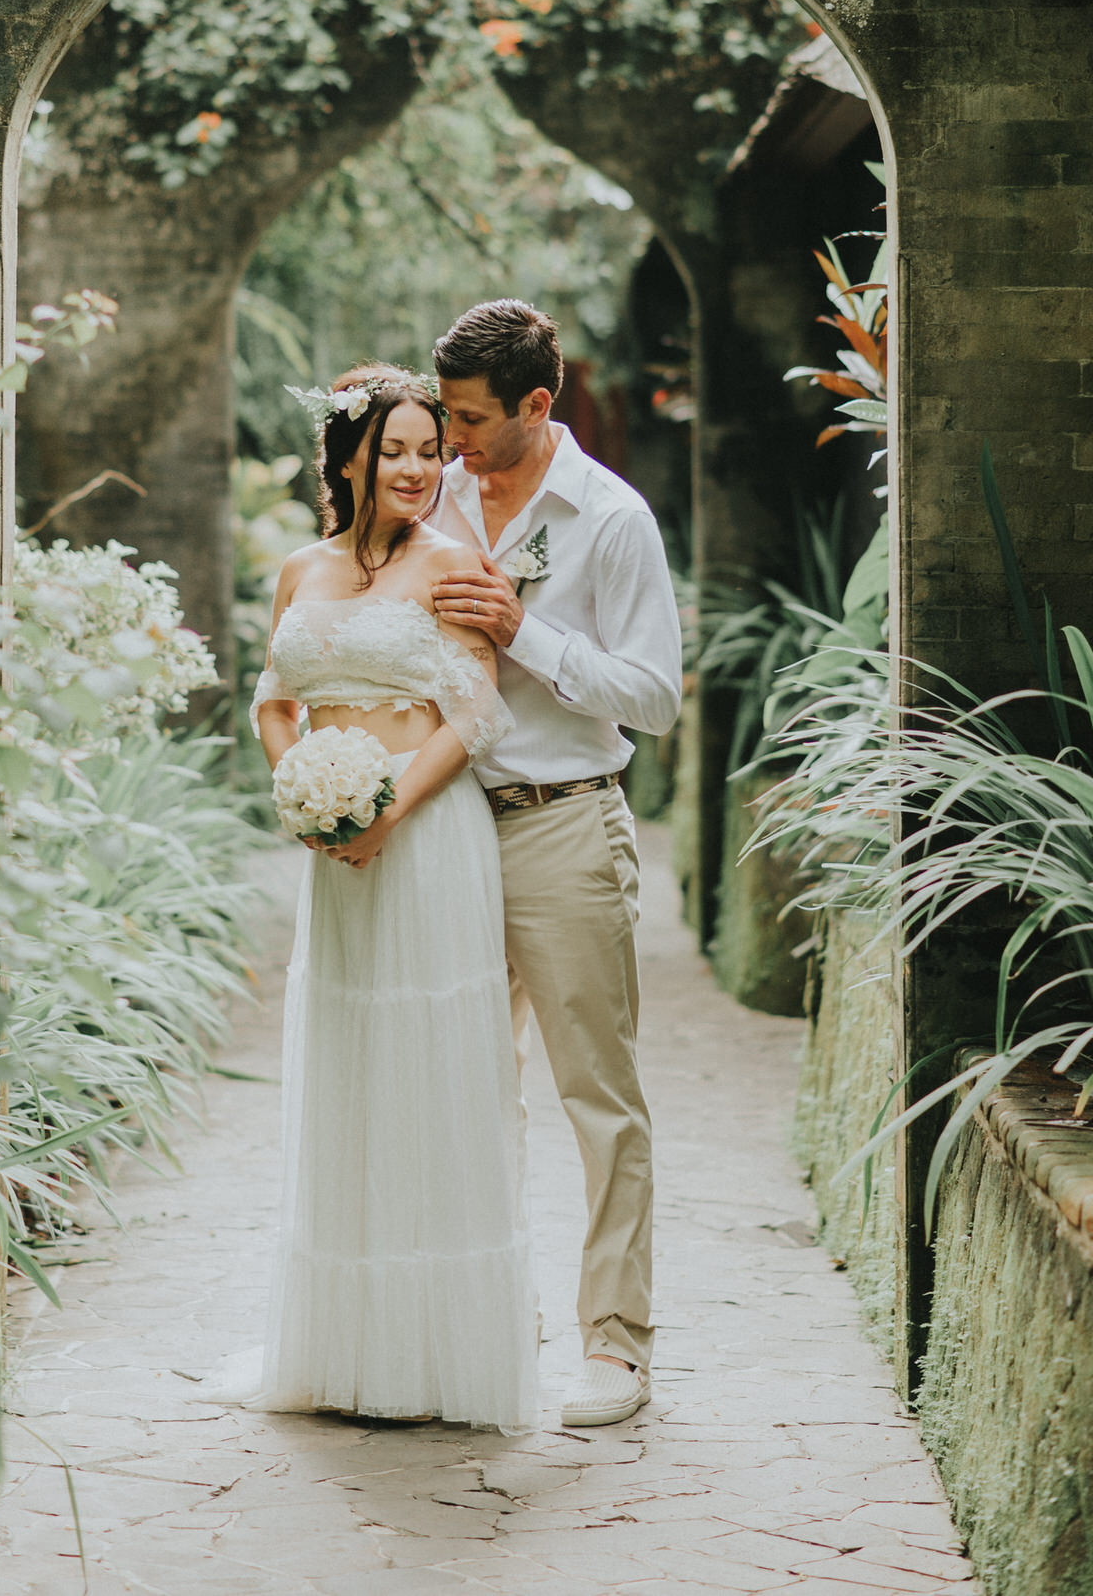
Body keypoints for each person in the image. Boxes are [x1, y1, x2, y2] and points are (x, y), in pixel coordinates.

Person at [249, 363, 538, 1432]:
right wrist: (303, 791)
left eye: (430, 447)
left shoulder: (453, 564)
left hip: (423, 841)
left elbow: (477, 716)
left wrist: (384, 810)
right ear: (350, 456)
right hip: (336, 856)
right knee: (351, 1065)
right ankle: (345, 1350)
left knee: (432, 1065)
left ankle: (433, 1355)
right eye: (397, 449)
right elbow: (272, 701)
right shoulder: (300, 569)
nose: (418, 467)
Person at [431, 300, 682, 1429]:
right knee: (465, 1086)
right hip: (446, 828)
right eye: (446, 416)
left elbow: (658, 698)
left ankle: (615, 1344)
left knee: (597, 1095)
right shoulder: (431, 491)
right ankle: (486, 1318)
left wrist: (523, 631)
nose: (454, 441)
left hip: (566, 821)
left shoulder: (613, 520)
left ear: (542, 405)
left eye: (476, 419)